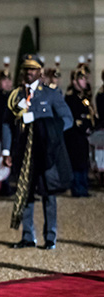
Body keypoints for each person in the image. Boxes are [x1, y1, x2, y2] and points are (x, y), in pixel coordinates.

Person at [2, 54, 73, 250]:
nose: (29, 72)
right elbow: (7, 124)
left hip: (45, 151)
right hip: (23, 151)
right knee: (25, 193)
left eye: (33, 69)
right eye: (26, 69)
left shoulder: (50, 94)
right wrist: (6, 151)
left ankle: (50, 236)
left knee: (49, 194)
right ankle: (28, 236)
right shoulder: (16, 95)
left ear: (40, 71)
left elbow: (67, 119)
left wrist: (47, 128)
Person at [63, 61, 94, 197]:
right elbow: (75, 118)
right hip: (75, 135)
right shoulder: (71, 98)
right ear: (75, 82)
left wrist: (89, 126)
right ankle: (77, 188)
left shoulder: (84, 98)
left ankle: (84, 186)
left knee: (83, 161)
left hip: (83, 135)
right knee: (76, 162)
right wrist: (83, 127)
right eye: (81, 79)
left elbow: (89, 114)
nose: (84, 82)